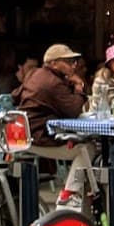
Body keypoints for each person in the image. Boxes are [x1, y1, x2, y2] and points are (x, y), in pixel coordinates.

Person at [16, 44, 97, 209]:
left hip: (25, 133)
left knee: (83, 145)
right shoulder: (54, 82)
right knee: (88, 148)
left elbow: (15, 95)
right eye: (67, 62)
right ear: (53, 63)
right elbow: (74, 110)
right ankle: (70, 194)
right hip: (40, 137)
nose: (73, 65)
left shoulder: (34, 74)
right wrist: (79, 88)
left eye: (74, 61)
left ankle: (79, 195)